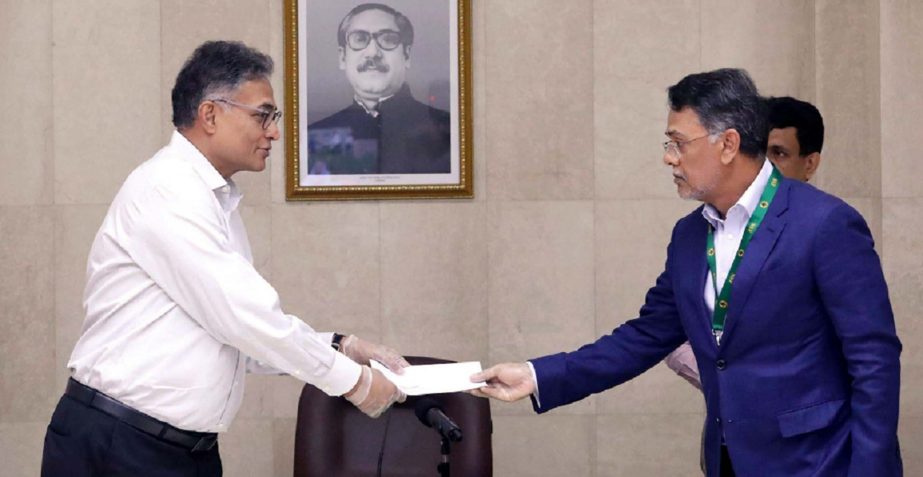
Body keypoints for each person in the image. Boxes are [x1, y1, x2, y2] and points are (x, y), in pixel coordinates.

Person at [471, 69, 902, 476]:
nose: (668, 158)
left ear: (728, 144)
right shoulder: (690, 235)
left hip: (816, 461)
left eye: (678, 143)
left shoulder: (824, 224)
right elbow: (644, 336)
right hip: (727, 457)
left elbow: (874, 359)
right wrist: (535, 375)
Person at [41, 41, 407, 477]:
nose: (273, 132)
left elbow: (234, 333)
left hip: (181, 452)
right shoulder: (167, 189)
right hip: (120, 446)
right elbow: (242, 317)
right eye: (263, 115)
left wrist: (341, 345)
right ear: (210, 114)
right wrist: (354, 383)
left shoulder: (214, 200)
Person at [664, 95, 827, 388]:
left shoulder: (827, 226)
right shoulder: (698, 229)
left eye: (779, 154)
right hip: (728, 425)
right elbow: (663, 330)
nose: (765, 165)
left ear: (810, 164)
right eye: (760, 152)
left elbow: (867, 352)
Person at [307, 3, 451, 175]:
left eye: (388, 39)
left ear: (407, 55)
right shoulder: (314, 137)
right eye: (360, 39)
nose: (373, 52)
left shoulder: (447, 131)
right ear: (343, 57)